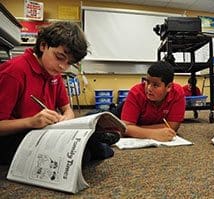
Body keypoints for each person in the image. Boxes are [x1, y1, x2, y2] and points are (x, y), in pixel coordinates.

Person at [0, 22, 115, 165]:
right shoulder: (14, 71)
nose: (63, 66)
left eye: (69, 63)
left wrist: (66, 118)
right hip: (15, 137)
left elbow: (67, 109)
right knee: (82, 155)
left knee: (93, 119)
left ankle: (97, 141)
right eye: (59, 57)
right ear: (43, 46)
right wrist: (31, 122)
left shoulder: (54, 73)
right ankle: (99, 142)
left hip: (44, 132)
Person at [120, 61, 186, 141]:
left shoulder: (177, 93)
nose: (148, 88)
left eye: (155, 85)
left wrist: (136, 129)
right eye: (147, 82)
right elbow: (125, 128)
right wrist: (153, 134)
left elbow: (172, 126)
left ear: (169, 87)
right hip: (121, 112)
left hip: (138, 122)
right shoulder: (136, 93)